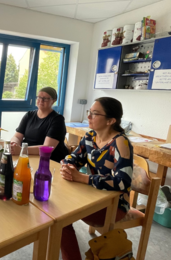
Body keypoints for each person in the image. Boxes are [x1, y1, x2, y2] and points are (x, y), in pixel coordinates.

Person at [59, 97, 133, 260]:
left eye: (95, 113)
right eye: (89, 112)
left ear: (111, 120)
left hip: (114, 205)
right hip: (92, 195)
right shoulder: (90, 137)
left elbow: (123, 182)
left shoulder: (121, 143)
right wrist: (68, 165)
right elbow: (75, 157)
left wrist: (84, 178)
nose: (89, 117)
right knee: (56, 207)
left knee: (60, 217)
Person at [10, 87, 68, 162]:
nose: (41, 100)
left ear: (53, 101)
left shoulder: (57, 120)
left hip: (48, 160)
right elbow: (17, 136)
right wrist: (14, 144)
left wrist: (21, 150)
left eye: (45, 98)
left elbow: (47, 148)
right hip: (27, 155)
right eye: (39, 97)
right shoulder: (29, 115)